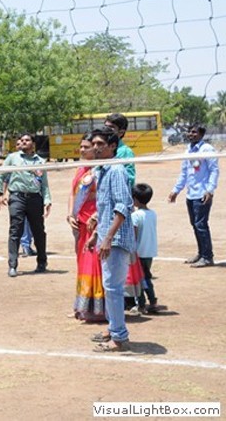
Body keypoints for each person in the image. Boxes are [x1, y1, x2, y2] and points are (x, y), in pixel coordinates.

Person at [89, 127, 135, 352]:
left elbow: (123, 206)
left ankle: (119, 338)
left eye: (100, 144)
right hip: (107, 237)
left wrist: (107, 238)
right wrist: (96, 232)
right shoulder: (102, 171)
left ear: (112, 146)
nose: (95, 148)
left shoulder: (116, 170)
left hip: (116, 240)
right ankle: (113, 329)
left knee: (114, 288)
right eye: (94, 144)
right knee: (110, 288)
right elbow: (106, 207)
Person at [0, 133, 51, 277]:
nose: (24, 142)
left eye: (27, 140)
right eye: (22, 140)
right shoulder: (13, 158)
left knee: (38, 231)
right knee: (15, 230)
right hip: (17, 197)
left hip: (34, 198)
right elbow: (1, 176)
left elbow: (44, 183)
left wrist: (47, 200)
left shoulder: (40, 161)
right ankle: (12, 265)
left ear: (33, 143)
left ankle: (42, 262)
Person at [168, 124, 219, 268]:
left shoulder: (207, 150)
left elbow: (214, 171)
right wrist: (176, 190)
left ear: (201, 134)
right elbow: (184, 173)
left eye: (194, 132)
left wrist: (209, 190)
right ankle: (201, 253)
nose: (190, 134)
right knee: (195, 225)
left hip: (203, 194)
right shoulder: (188, 150)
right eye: (189, 132)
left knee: (201, 225)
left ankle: (208, 257)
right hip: (191, 194)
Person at [67, 133, 104, 322]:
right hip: (79, 221)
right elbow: (73, 193)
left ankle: (97, 309)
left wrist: (97, 217)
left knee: (93, 263)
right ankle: (81, 305)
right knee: (81, 262)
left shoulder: (100, 169)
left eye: (86, 147)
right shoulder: (81, 168)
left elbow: (104, 197)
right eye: (81, 147)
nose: (82, 150)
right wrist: (70, 214)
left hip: (94, 222)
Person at [132, 183, 159, 314]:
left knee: (140, 279)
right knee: (146, 276)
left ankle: (141, 304)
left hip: (139, 252)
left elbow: (134, 234)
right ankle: (152, 301)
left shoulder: (136, 216)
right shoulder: (152, 213)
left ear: (135, 199)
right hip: (150, 251)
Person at [104, 113, 135, 187]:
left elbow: (130, 179)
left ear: (121, 132)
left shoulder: (126, 152)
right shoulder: (100, 148)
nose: (106, 130)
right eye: (105, 126)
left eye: (111, 127)